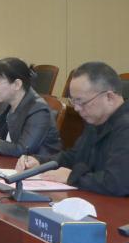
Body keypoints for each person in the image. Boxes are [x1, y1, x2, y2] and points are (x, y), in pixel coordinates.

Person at [15, 62, 129, 196]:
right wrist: (40, 162)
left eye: (82, 102)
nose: (76, 108)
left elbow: (117, 183)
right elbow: (74, 156)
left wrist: (72, 177)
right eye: (73, 101)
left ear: (109, 97)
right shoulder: (96, 119)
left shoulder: (125, 126)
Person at [0, 57, 62, 158]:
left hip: (39, 166)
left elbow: (24, 149)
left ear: (17, 84)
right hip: (10, 163)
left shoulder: (39, 111)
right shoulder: (9, 104)